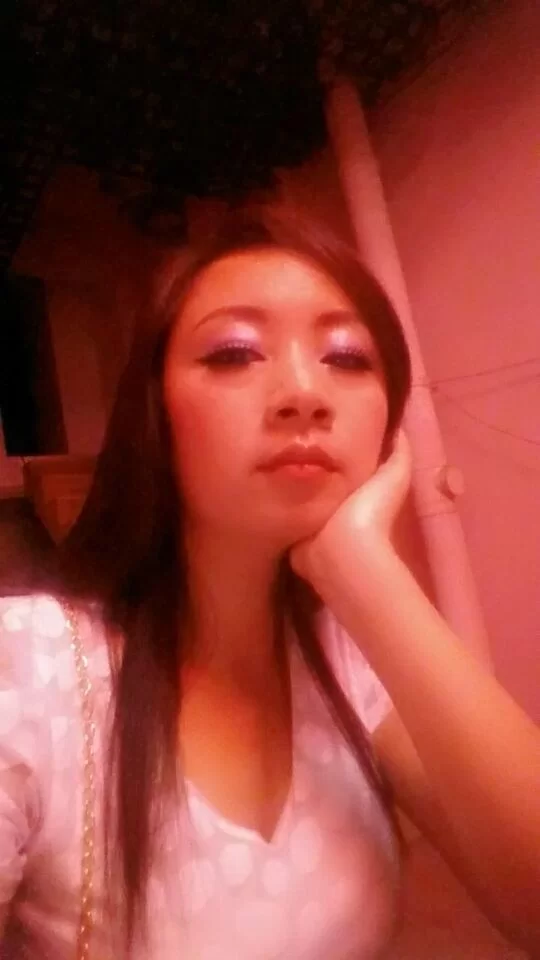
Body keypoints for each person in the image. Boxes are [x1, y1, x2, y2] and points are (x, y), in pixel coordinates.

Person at [0, 209, 539, 960]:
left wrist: (367, 570)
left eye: (347, 357)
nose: (304, 393)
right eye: (234, 352)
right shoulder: (28, 667)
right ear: (156, 416)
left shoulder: (350, 657)